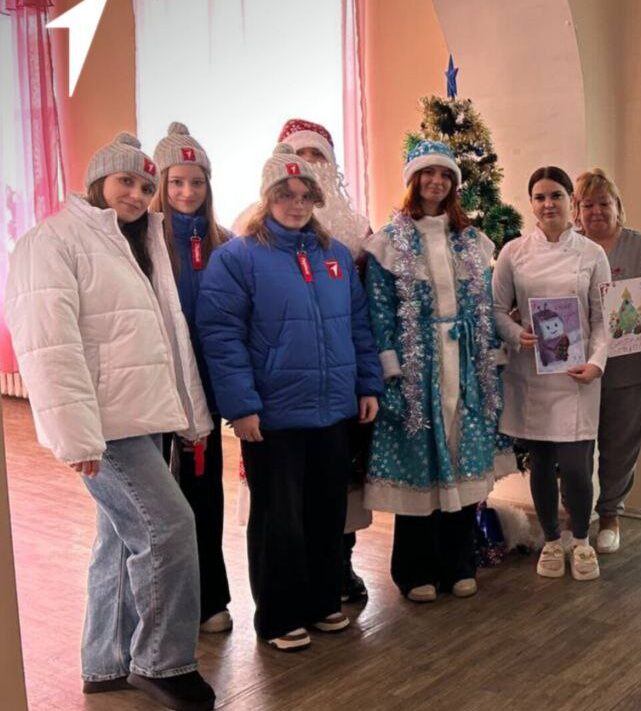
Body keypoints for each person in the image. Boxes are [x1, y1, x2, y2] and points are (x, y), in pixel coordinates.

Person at [6, 132, 216, 710]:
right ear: (98, 181)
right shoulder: (51, 241)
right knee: (169, 527)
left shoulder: (138, 241)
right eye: (127, 181)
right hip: (104, 425)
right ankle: (163, 663)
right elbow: (50, 346)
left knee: (119, 539)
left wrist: (188, 412)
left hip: (141, 413)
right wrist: (76, 436)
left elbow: (167, 334)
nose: (138, 195)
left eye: (147, 186)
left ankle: (106, 662)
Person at [197, 144, 382, 652]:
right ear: (268, 197)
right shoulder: (237, 258)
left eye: (305, 195)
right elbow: (221, 337)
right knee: (278, 519)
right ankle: (278, 616)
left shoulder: (334, 255)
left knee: (326, 512)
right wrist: (241, 406)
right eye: (285, 194)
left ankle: (322, 602)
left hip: (333, 409)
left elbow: (358, 326)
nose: (296, 204)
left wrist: (367, 384)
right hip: (273, 416)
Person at [363, 139, 509, 602]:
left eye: (445, 175)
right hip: (417, 368)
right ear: (413, 180)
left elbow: (483, 306)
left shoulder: (470, 241)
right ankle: (414, 571)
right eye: (428, 173)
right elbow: (379, 312)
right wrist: (391, 370)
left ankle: (458, 563)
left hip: (463, 366)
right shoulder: (389, 242)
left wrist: (489, 358)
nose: (436, 182)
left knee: (463, 462)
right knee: (420, 463)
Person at [492, 166, 610, 581]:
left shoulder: (592, 254)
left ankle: (581, 539)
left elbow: (603, 318)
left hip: (578, 375)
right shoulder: (513, 253)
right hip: (532, 374)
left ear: (570, 201)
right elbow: (496, 310)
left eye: (556, 195)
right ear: (531, 203)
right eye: (540, 197)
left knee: (577, 466)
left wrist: (596, 363)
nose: (548, 204)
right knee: (540, 463)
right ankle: (551, 540)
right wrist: (516, 333)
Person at [276, 117, 375, 604]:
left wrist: (369, 379)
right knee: (289, 490)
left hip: (343, 378)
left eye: (318, 156)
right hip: (286, 384)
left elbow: (366, 311)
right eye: (301, 155)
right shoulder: (256, 232)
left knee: (343, 479)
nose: (310, 165)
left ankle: (340, 564)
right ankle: (296, 578)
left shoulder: (356, 230)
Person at [149, 121, 234, 635]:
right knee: (160, 500)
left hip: (207, 390)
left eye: (196, 182)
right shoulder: (143, 243)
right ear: (161, 184)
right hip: (157, 390)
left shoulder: (224, 244)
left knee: (205, 493)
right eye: (176, 182)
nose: (187, 192)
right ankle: (163, 603)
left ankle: (209, 598)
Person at [573, 168, 641, 553]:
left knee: (620, 444)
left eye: (604, 203)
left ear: (617, 206)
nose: (596, 211)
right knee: (575, 447)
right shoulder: (568, 248)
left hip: (629, 366)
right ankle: (575, 516)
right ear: (577, 210)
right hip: (577, 365)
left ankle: (610, 514)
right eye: (587, 204)